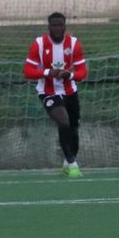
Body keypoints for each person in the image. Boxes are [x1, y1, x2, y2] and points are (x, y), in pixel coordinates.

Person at [23, 12, 88, 177]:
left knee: (74, 130)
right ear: (49, 27)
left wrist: (69, 75)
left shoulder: (74, 44)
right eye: (54, 25)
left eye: (60, 25)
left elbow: (82, 72)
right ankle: (72, 165)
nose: (57, 28)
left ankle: (67, 163)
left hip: (70, 91)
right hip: (48, 92)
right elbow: (28, 71)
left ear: (65, 26)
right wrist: (48, 72)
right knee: (63, 122)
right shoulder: (39, 44)